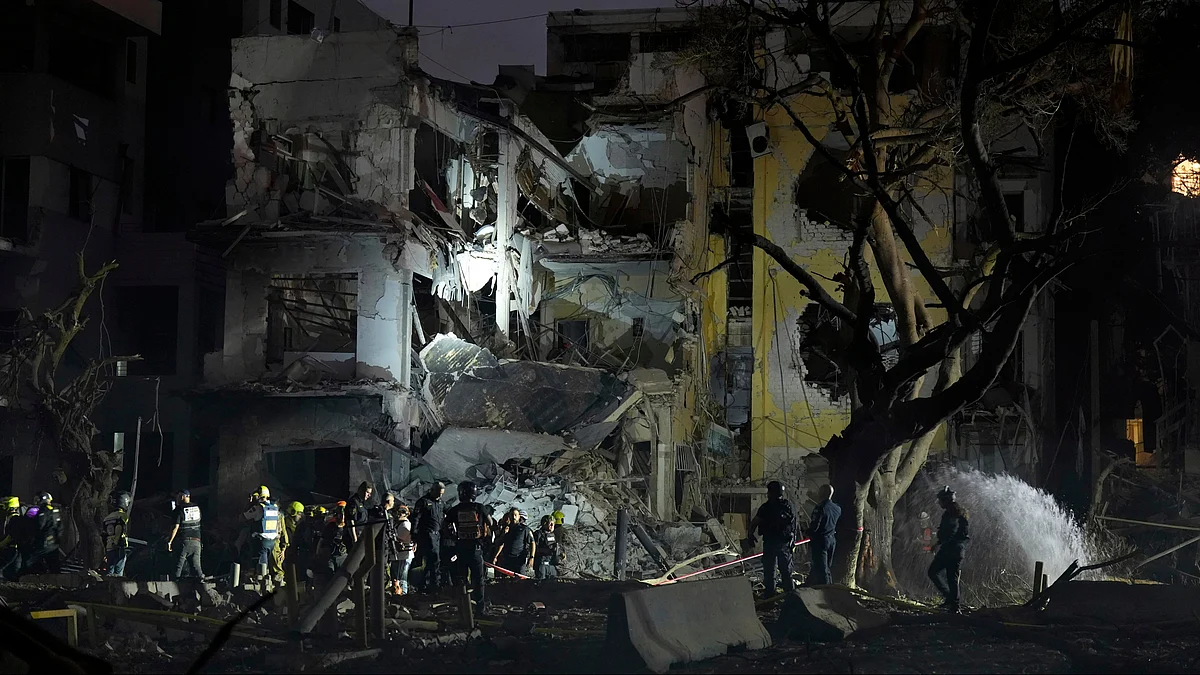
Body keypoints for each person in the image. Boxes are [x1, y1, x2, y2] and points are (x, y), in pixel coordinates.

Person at [445, 481, 494, 612]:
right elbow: (490, 522)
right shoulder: (479, 507)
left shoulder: (455, 510)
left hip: (461, 548)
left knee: (461, 578)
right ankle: (480, 607)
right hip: (476, 549)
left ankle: (463, 606)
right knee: (478, 579)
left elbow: (445, 526)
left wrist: (454, 538)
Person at [746, 480, 797, 596]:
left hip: (771, 543)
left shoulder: (766, 507)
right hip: (784, 544)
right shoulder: (789, 506)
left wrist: (750, 535)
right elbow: (794, 525)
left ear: (770, 492)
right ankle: (790, 596)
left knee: (770, 571)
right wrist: (793, 541)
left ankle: (770, 594)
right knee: (786, 571)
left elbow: (755, 522)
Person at [928, 486, 970, 613]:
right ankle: (954, 605)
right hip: (958, 550)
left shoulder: (950, 514)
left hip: (950, 550)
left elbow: (950, 532)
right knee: (952, 577)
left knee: (933, 572)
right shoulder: (960, 512)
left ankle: (950, 599)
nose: (939, 503)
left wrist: (939, 543)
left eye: (940, 500)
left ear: (946, 500)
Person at [803, 484, 841, 586]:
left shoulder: (820, 508)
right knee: (826, 566)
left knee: (821, 569)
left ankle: (825, 590)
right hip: (832, 539)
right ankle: (812, 584)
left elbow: (815, 526)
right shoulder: (837, 508)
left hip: (820, 541)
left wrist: (807, 532)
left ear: (822, 493)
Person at [412, 482, 445, 593]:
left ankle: (425, 584)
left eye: (442, 494)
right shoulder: (423, 502)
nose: (440, 496)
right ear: (433, 490)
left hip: (438, 534)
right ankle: (434, 584)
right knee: (434, 559)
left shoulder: (440, 503)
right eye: (439, 493)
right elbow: (416, 518)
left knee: (433, 561)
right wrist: (414, 535)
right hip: (427, 534)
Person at [242, 486, 281, 578]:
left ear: (259, 496)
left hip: (261, 541)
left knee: (259, 565)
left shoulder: (258, 508)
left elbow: (243, 517)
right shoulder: (274, 507)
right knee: (265, 564)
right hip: (272, 542)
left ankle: (259, 584)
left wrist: (249, 503)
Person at [21, 492, 63, 574]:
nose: (36, 502)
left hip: (44, 543)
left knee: (30, 562)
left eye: (37, 500)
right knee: (54, 566)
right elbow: (60, 528)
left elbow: (39, 526)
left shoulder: (43, 511)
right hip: (54, 544)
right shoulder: (55, 510)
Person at [167, 489, 204, 580]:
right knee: (197, 567)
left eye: (177, 496)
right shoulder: (197, 508)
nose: (176, 499)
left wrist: (169, 542)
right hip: (197, 542)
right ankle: (203, 584)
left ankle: (174, 586)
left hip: (184, 542)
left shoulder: (178, 510)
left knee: (178, 568)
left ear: (182, 497)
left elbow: (175, 527)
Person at [492, 508, 534, 576]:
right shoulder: (507, 529)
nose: (514, 517)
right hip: (507, 560)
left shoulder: (524, 529)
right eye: (512, 515)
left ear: (519, 516)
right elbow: (500, 543)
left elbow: (532, 542)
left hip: (519, 560)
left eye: (515, 515)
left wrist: (532, 557)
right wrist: (496, 556)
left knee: (520, 581)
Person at [102, 491, 133, 577]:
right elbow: (119, 528)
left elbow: (104, 535)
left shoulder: (107, 518)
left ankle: (107, 587)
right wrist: (117, 543)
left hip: (109, 547)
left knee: (109, 571)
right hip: (118, 546)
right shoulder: (123, 516)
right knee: (118, 572)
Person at [391, 503, 416, 594]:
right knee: (397, 577)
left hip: (403, 556)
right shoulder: (400, 524)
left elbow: (399, 538)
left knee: (401, 577)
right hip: (399, 555)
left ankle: (403, 594)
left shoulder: (405, 525)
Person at [1, 496, 25, 580]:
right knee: (12, 573)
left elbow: (11, 536)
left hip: (13, 550)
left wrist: (1, 544)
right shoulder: (11, 518)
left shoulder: (15, 519)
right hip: (14, 550)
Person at [532, 515, 561, 582]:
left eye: (553, 523)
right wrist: (546, 550)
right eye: (550, 523)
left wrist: (560, 553)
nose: (552, 525)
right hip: (541, 564)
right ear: (544, 523)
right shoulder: (538, 534)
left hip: (551, 564)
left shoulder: (553, 535)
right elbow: (533, 549)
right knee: (541, 583)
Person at [345, 481, 374, 546]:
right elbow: (351, 522)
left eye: (370, 493)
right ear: (361, 490)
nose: (369, 495)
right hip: (355, 537)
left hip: (362, 535)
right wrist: (355, 540)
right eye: (367, 492)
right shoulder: (353, 502)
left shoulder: (362, 503)